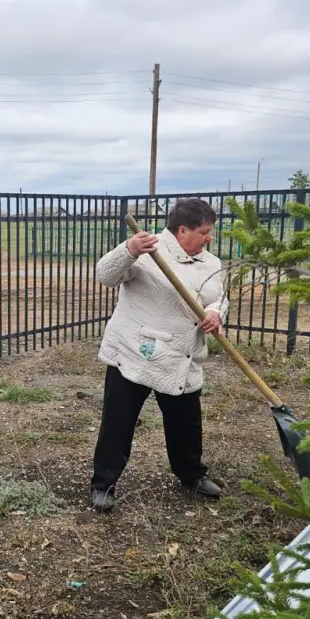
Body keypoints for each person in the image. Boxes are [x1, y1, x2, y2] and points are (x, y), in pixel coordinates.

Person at [91, 198, 229, 512]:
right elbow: (104, 275)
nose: (210, 237)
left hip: (181, 357)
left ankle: (191, 475)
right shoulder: (148, 250)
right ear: (183, 230)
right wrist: (127, 250)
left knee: (186, 424)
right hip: (136, 351)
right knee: (118, 422)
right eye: (205, 231)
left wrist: (215, 313)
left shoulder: (211, 263)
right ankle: (104, 484)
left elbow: (219, 297)